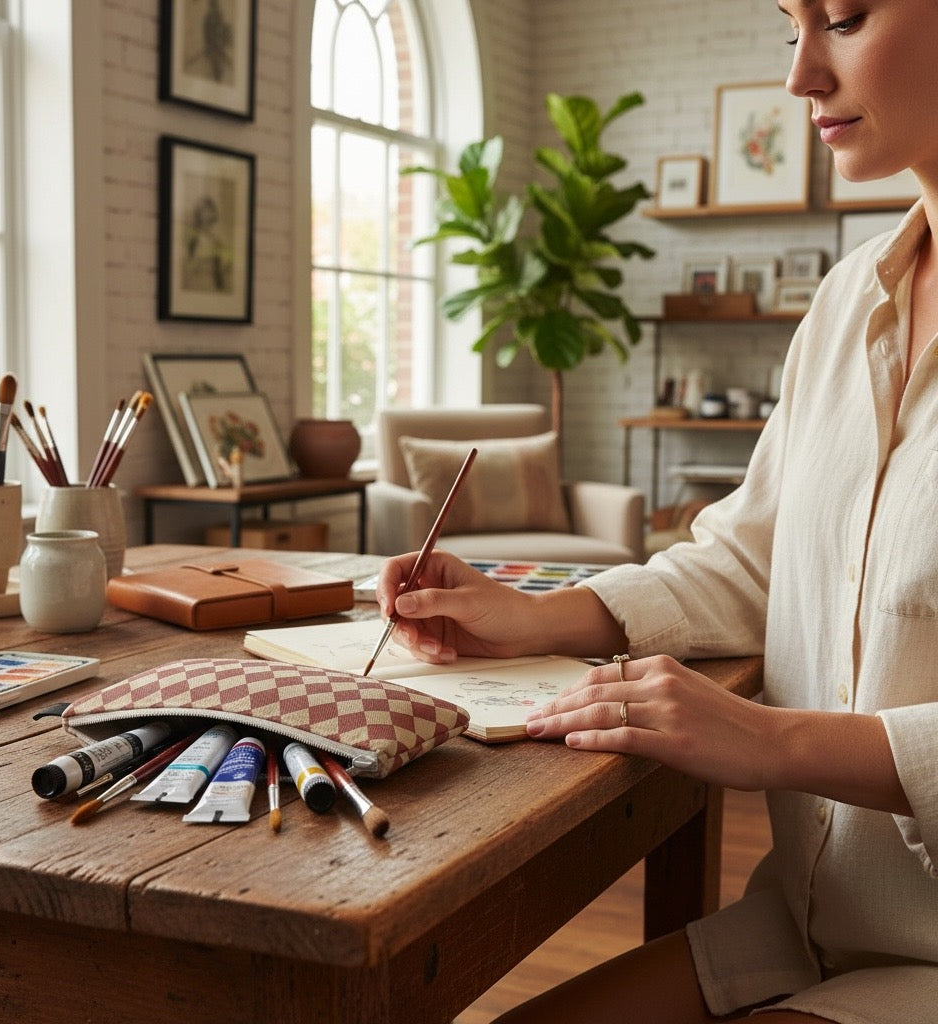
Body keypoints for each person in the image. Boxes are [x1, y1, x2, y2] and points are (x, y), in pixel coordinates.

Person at [375, 3, 938, 1021]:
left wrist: (771, 740)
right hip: (803, 922)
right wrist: (531, 616)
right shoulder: (846, 300)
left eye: (847, 17)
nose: (801, 74)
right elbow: (751, 557)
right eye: (792, 26)